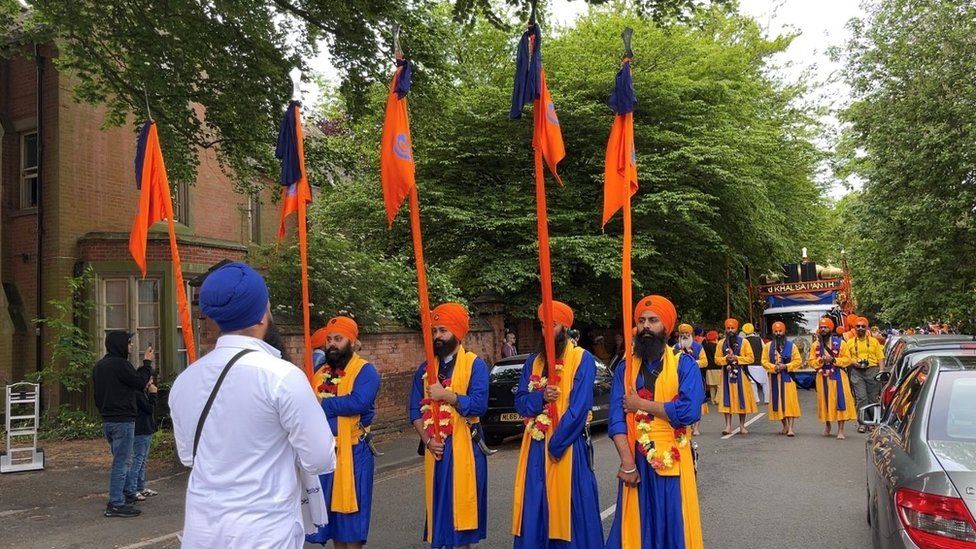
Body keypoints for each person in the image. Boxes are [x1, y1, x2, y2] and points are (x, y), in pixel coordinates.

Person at [169, 262, 336, 548]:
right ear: (262, 315)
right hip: (263, 531)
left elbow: (189, 457)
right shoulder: (283, 376)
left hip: (203, 531)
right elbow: (320, 458)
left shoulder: (185, 381)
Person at [605, 295, 704, 549]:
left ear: (666, 327)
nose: (646, 326)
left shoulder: (685, 365)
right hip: (635, 459)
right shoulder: (625, 368)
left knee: (673, 525)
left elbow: (689, 412)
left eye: (653, 320)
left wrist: (642, 405)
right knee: (635, 528)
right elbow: (616, 418)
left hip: (674, 458)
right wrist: (627, 463)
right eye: (641, 321)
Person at [512, 300, 603, 548]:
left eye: (551, 325)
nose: (545, 331)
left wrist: (557, 444)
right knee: (535, 505)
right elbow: (520, 402)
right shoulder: (534, 361)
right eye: (542, 325)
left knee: (571, 507)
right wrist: (540, 396)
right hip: (535, 448)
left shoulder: (582, 359)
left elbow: (580, 406)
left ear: (565, 327)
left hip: (567, 447)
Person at [408, 303, 489, 549]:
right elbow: (414, 410)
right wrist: (428, 440)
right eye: (435, 331)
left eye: (443, 330)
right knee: (441, 517)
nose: (438, 336)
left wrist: (447, 395)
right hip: (437, 450)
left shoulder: (476, 365)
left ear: (457, 332)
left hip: (465, 448)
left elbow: (478, 405)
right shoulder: (425, 369)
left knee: (461, 520)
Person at [307, 316, 381, 549]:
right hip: (325, 453)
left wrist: (323, 405)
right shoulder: (320, 372)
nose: (332, 344)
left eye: (338, 339)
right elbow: (307, 403)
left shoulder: (365, 371)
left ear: (352, 342)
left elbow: (358, 402)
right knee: (334, 519)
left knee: (352, 520)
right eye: (329, 339)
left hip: (355, 453)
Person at [92, 331, 153, 518]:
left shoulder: (99, 366)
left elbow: (97, 394)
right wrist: (147, 363)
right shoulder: (121, 365)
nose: (131, 346)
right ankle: (116, 503)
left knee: (121, 459)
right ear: (120, 345)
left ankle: (126, 492)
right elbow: (140, 382)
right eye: (128, 343)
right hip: (123, 420)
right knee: (122, 462)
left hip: (108, 419)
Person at [807, 317, 856, 439]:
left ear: (830, 328)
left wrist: (833, 359)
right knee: (824, 401)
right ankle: (827, 425)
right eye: (821, 327)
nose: (823, 329)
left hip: (838, 375)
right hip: (822, 376)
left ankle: (840, 430)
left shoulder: (841, 343)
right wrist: (820, 360)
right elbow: (811, 362)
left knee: (840, 400)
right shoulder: (815, 345)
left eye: (825, 327)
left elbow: (848, 360)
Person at [714, 318, 756, 436]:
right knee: (727, 400)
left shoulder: (744, 342)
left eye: (732, 328)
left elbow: (751, 358)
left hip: (741, 375)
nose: (730, 330)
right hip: (726, 376)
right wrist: (725, 359)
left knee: (741, 399)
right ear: (725, 329)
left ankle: (742, 426)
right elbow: (716, 359)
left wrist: (737, 358)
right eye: (728, 328)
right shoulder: (721, 343)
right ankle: (728, 426)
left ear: (737, 329)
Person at [843, 315, 885, 433]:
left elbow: (880, 357)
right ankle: (862, 423)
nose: (860, 328)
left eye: (863, 326)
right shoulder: (849, 342)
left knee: (872, 398)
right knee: (861, 397)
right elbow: (846, 358)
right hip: (857, 372)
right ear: (854, 328)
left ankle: (871, 423)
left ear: (867, 328)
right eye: (858, 326)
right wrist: (853, 362)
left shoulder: (874, 341)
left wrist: (881, 371)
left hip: (872, 371)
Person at [760, 322, 801, 437]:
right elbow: (763, 361)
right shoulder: (768, 346)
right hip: (774, 378)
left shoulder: (791, 346)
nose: (778, 333)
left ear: (784, 332)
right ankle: (785, 425)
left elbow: (798, 361)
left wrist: (786, 366)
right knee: (778, 403)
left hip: (788, 379)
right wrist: (774, 367)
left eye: (780, 331)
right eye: (776, 331)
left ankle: (791, 428)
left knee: (790, 402)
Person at [125, 371, 159, 502]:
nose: (151, 383)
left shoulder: (142, 393)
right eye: (149, 380)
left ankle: (140, 486)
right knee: (138, 460)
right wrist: (153, 395)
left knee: (142, 460)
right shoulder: (138, 394)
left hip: (146, 429)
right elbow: (150, 409)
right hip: (140, 430)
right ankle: (132, 489)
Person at [673, 323, 708, 435]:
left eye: (686, 333)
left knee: (698, 401)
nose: (684, 335)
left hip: (696, 378)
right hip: (680, 379)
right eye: (682, 333)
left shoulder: (698, 347)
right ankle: (685, 426)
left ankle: (696, 428)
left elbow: (705, 362)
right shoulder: (675, 348)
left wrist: (692, 363)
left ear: (691, 334)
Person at [741, 323, 768, 405]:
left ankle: (756, 400)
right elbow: (765, 350)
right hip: (761, 364)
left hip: (749, 365)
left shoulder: (743, 341)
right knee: (765, 383)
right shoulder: (759, 339)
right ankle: (767, 400)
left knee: (752, 383)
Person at [702, 331, 720, 405]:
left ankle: (712, 400)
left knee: (712, 386)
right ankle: (717, 399)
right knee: (719, 385)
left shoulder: (704, 346)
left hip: (708, 368)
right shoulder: (717, 346)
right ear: (715, 338)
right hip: (717, 367)